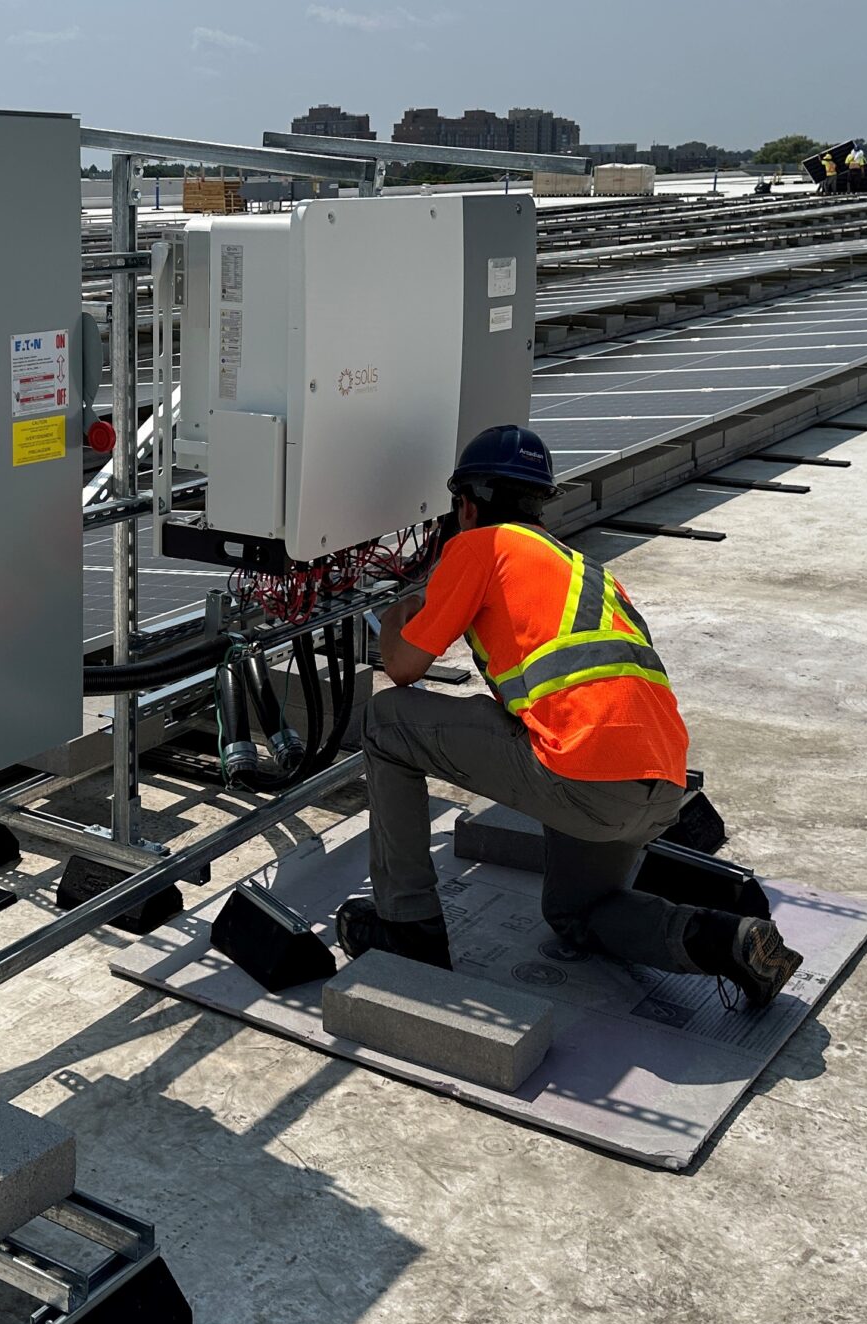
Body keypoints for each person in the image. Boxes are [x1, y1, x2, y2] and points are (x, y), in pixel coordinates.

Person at [344, 424, 804, 1008]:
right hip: (660, 787)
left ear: (466, 505)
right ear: (542, 502)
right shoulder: (590, 572)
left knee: (386, 721)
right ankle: (725, 941)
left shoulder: (482, 545)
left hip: (582, 776)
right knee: (578, 912)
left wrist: (395, 616)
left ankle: (407, 927)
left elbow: (405, 667)